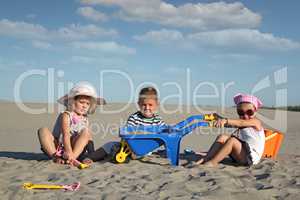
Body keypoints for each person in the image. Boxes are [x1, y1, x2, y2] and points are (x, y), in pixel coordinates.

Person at [83, 86, 165, 163]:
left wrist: (167, 149)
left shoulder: (158, 120)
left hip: (146, 149)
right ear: (139, 104)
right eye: (144, 105)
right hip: (129, 147)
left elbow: (166, 136)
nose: (147, 108)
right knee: (109, 145)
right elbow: (127, 133)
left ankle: (123, 155)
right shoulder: (134, 118)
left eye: (150, 105)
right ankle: (90, 157)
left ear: (157, 105)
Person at [37, 82, 106, 165]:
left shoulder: (85, 119)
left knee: (86, 132)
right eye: (81, 102)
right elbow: (65, 135)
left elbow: (88, 138)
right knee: (42, 130)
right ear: (73, 102)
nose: (84, 106)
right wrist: (68, 151)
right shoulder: (66, 115)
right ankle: (56, 157)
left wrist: (91, 155)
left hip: (76, 149)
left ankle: (72, 158)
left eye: (87, 103)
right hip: (59, 148)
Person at [196, 93, 265, 167]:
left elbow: (241, 123)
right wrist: (218, 118)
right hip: (241, 154)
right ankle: (207, 158)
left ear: (255, 111)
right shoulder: (243, 123)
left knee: (232, 140)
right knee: (222, 137)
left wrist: (225, 120)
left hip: (251, 159)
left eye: (249, 112)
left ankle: (213, 162)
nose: (245, 116)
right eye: (241, 112)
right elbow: (231, 124)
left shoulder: (255, 122)